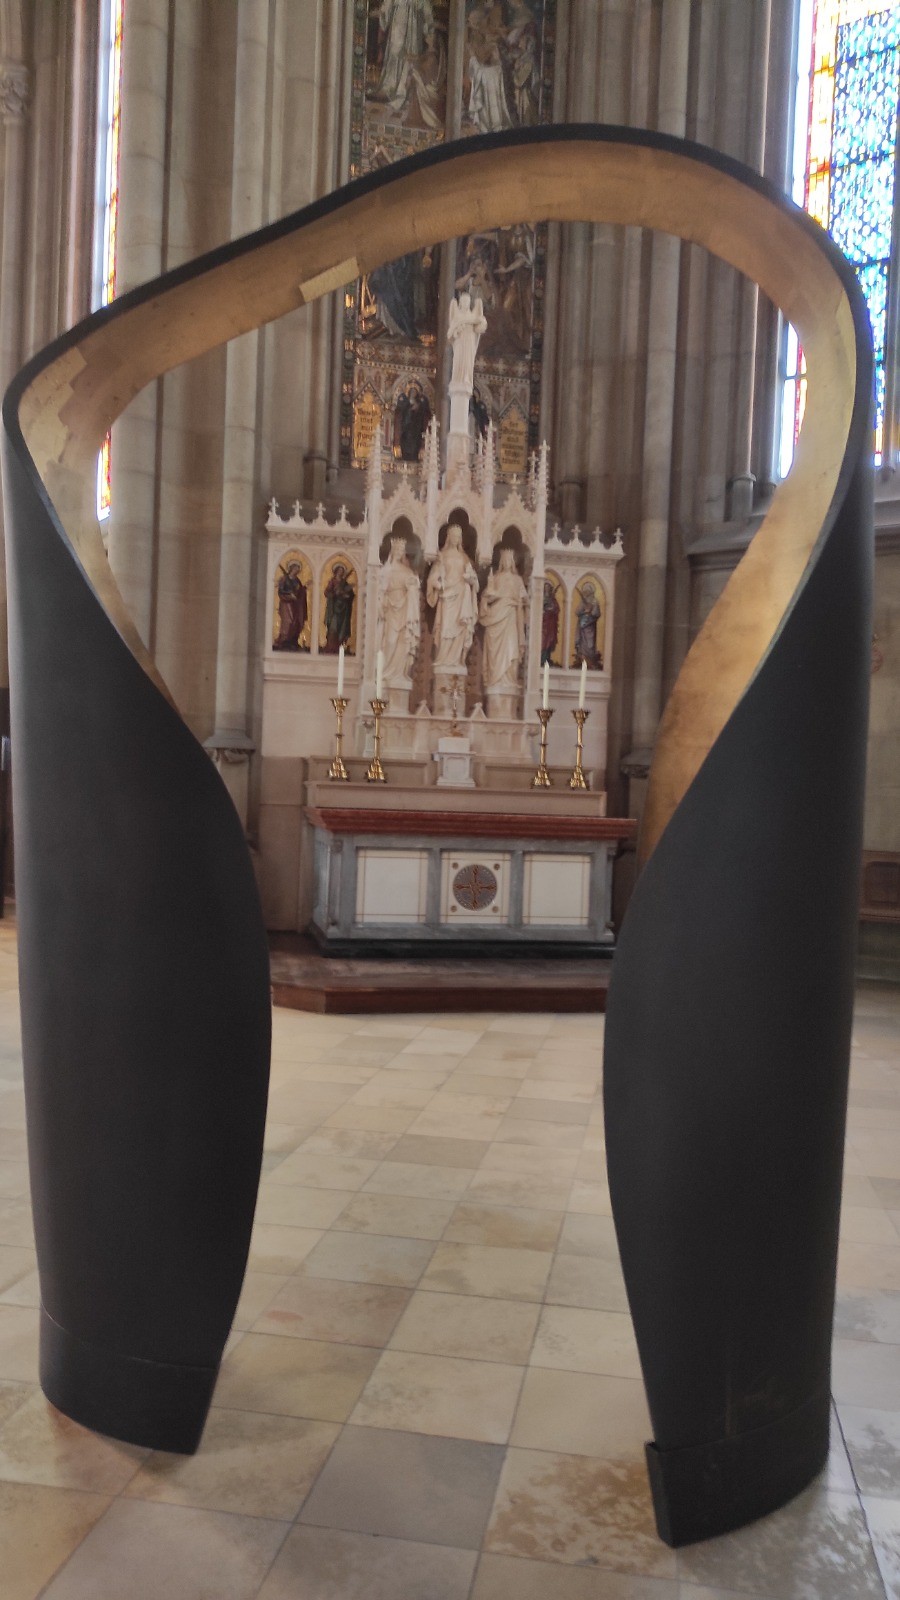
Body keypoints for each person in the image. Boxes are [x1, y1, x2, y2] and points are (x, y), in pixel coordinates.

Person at [426, 524, 478, 668]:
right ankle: (443, 659)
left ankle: (457, 661)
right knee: (445, 629)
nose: (456, 538)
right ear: (448, 537)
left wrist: (472, 581)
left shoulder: (464, 557)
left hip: (462, 596)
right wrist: (439, 585)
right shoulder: (442, 556)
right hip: (447, 597)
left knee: (461, 627)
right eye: (454, 535)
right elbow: (432, 578)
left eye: (458, 536)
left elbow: (473, 578)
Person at [480, 548, 529, 692]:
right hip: (496, 617)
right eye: (505, 560)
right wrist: (489, 596)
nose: (507, 562)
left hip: (511, 617)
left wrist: (523, 601)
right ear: (502, 562)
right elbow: (487, 597)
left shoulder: (517, 579)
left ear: (513, 562)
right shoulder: (495, 578)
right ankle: (495, 680)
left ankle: (509, 680)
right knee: (495, 651)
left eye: (510, 560)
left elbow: (526, 599)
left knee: (511, 647)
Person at [378, 537, 421, 682]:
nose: (398, 552)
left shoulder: (408, 571)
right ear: (392, 550)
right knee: (390, 640)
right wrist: (382, 602)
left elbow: (414, 589)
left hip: (405, 609)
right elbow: (380, 591)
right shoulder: (385, 570)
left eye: (401, 550)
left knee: (403, 641)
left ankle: (400, 674)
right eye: (396, 549)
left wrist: (413, 586)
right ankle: (385, 673)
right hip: (391, 609)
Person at [272, 561, 308, 651]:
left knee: (296, 622)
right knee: (289, 622)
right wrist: (289, 595)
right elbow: (281, 591)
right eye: (295, 568)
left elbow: (299, 591)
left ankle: (292, 641)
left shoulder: (297, 580)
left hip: (295, 605)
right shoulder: (284, 578)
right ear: (291, 568)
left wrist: (304, 588)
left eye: (298, 569)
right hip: (286, 604)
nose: (297, 570)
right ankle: (283, 641)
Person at [323, 563, 355, 653]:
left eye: (342, 571)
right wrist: (335, 594)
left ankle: (340, 647)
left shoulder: (345, 583)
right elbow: (326, 592)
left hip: (344, 609)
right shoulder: (332, 582)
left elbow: (351, 595)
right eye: (339, 570)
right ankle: (331, 647)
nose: (341, 572)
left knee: (342, 628)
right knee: (333, 627)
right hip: (334, 609)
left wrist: (347, 595)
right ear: (336, 571)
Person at [574, 580, 603, 668]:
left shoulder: (594, 601)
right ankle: (582, 660)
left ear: (591, 592)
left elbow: (597, 613)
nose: (585, 593)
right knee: (582, 644)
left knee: (590, 644)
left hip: (590, 626)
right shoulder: (583, 601)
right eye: (584, 591)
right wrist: (584, 611)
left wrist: (591, 611)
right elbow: (577, 612)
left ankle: (589, 661)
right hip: (582, 626)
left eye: (587, 591)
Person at [540, 578, 560, 666]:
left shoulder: (552, 599)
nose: (547, 588)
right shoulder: (540, 597)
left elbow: (556, 609)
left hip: (550, 624)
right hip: (542, 624)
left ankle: (546, 658)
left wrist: (551, 609)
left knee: (550, 640)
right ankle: (541, 658)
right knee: (543, 640)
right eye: (545, 587)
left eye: (548, 587)